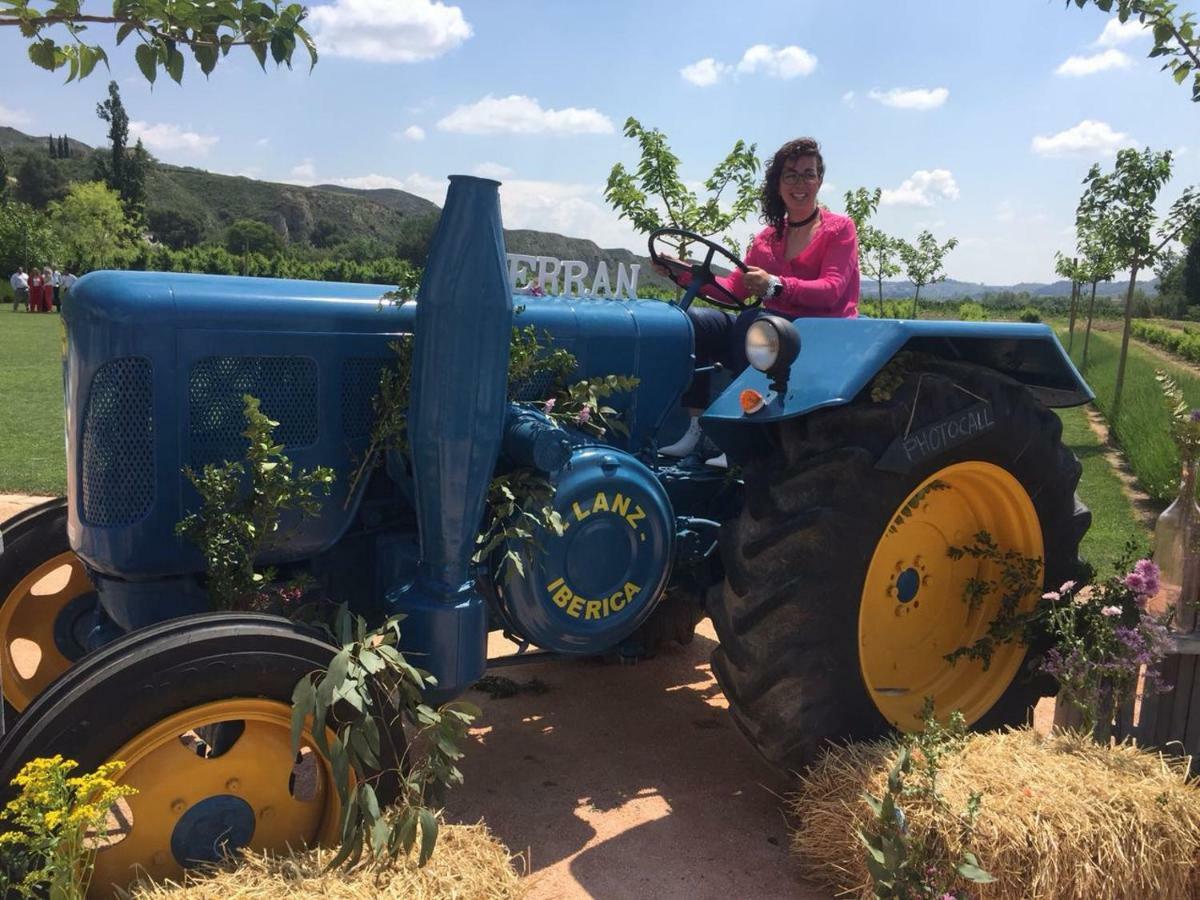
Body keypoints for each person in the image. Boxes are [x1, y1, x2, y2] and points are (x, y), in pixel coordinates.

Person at [657, 136, 860, 466]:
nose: (800, 183)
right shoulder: (767, 238)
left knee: (753, 323)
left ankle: (742, 436)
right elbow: (734, 290)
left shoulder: (839, 229)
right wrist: (681, 274)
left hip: (822, 333)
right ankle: (695, 428)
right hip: (773, 332)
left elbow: (832, 289)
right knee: (696, 323)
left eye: (808, 174)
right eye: (790, 175)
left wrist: (776, 286)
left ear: (820, 181)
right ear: (778, 183)